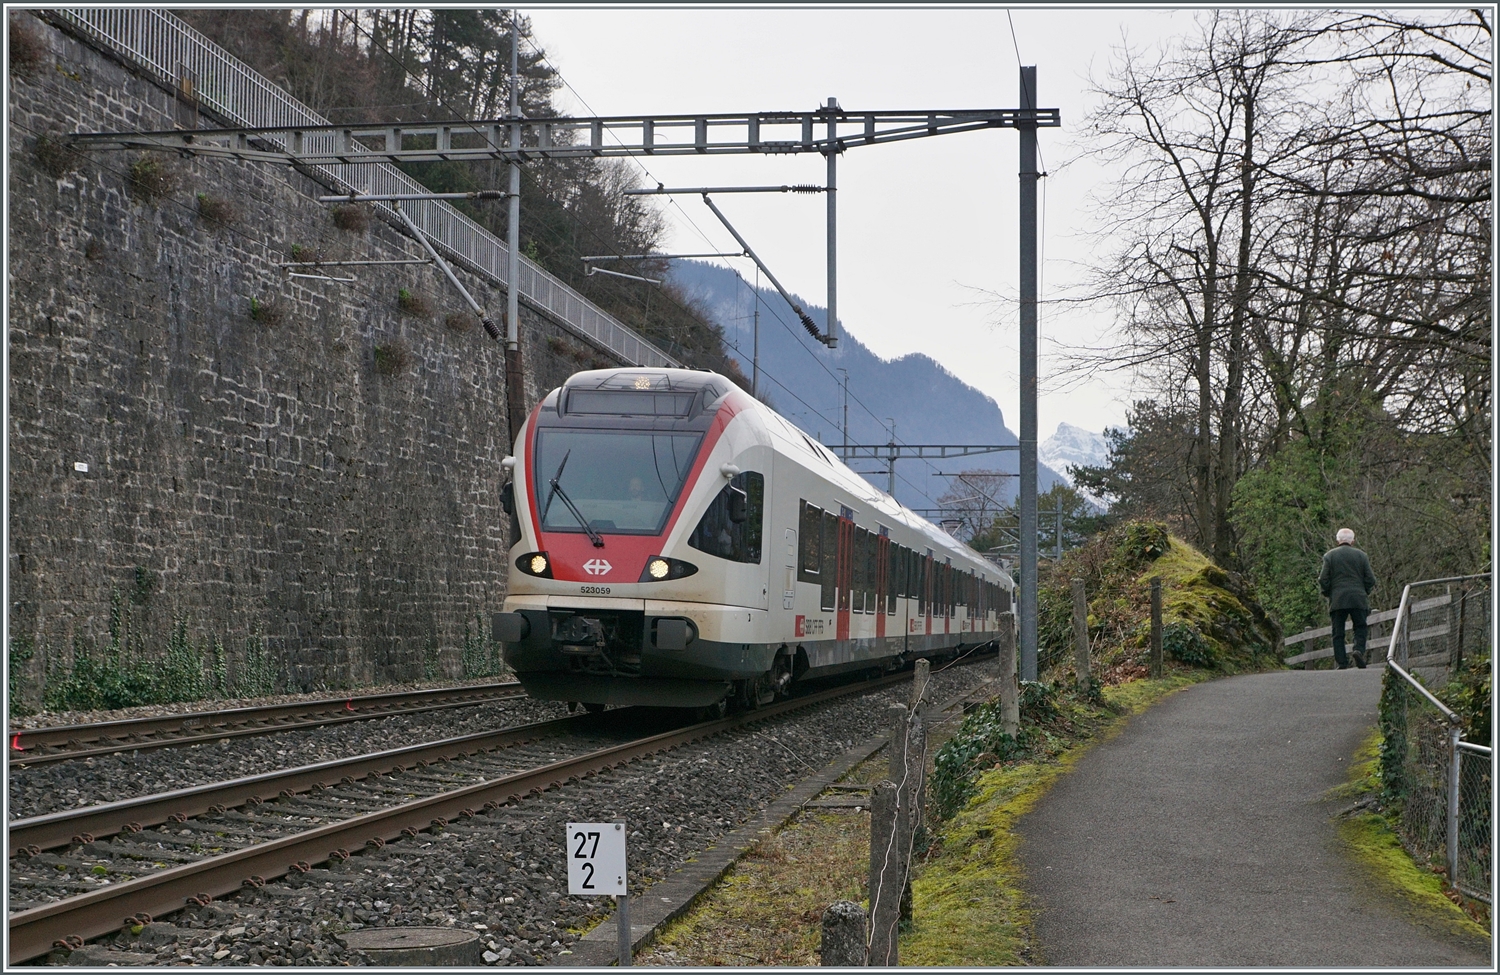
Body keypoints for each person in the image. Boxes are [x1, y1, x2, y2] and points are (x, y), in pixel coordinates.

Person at [1318, 528, 1377, 669]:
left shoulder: (1329, 556)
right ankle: (1358, 650)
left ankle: (1342, 662)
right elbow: (1371, 579)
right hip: (1358, 597)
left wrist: (1328, 593)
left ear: (1337, 540)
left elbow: (1323, 579)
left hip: (1338, 598)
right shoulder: (1362, 556)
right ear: (1353, 541)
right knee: (1360, 627)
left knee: (1338, 632)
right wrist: (1364, 591)